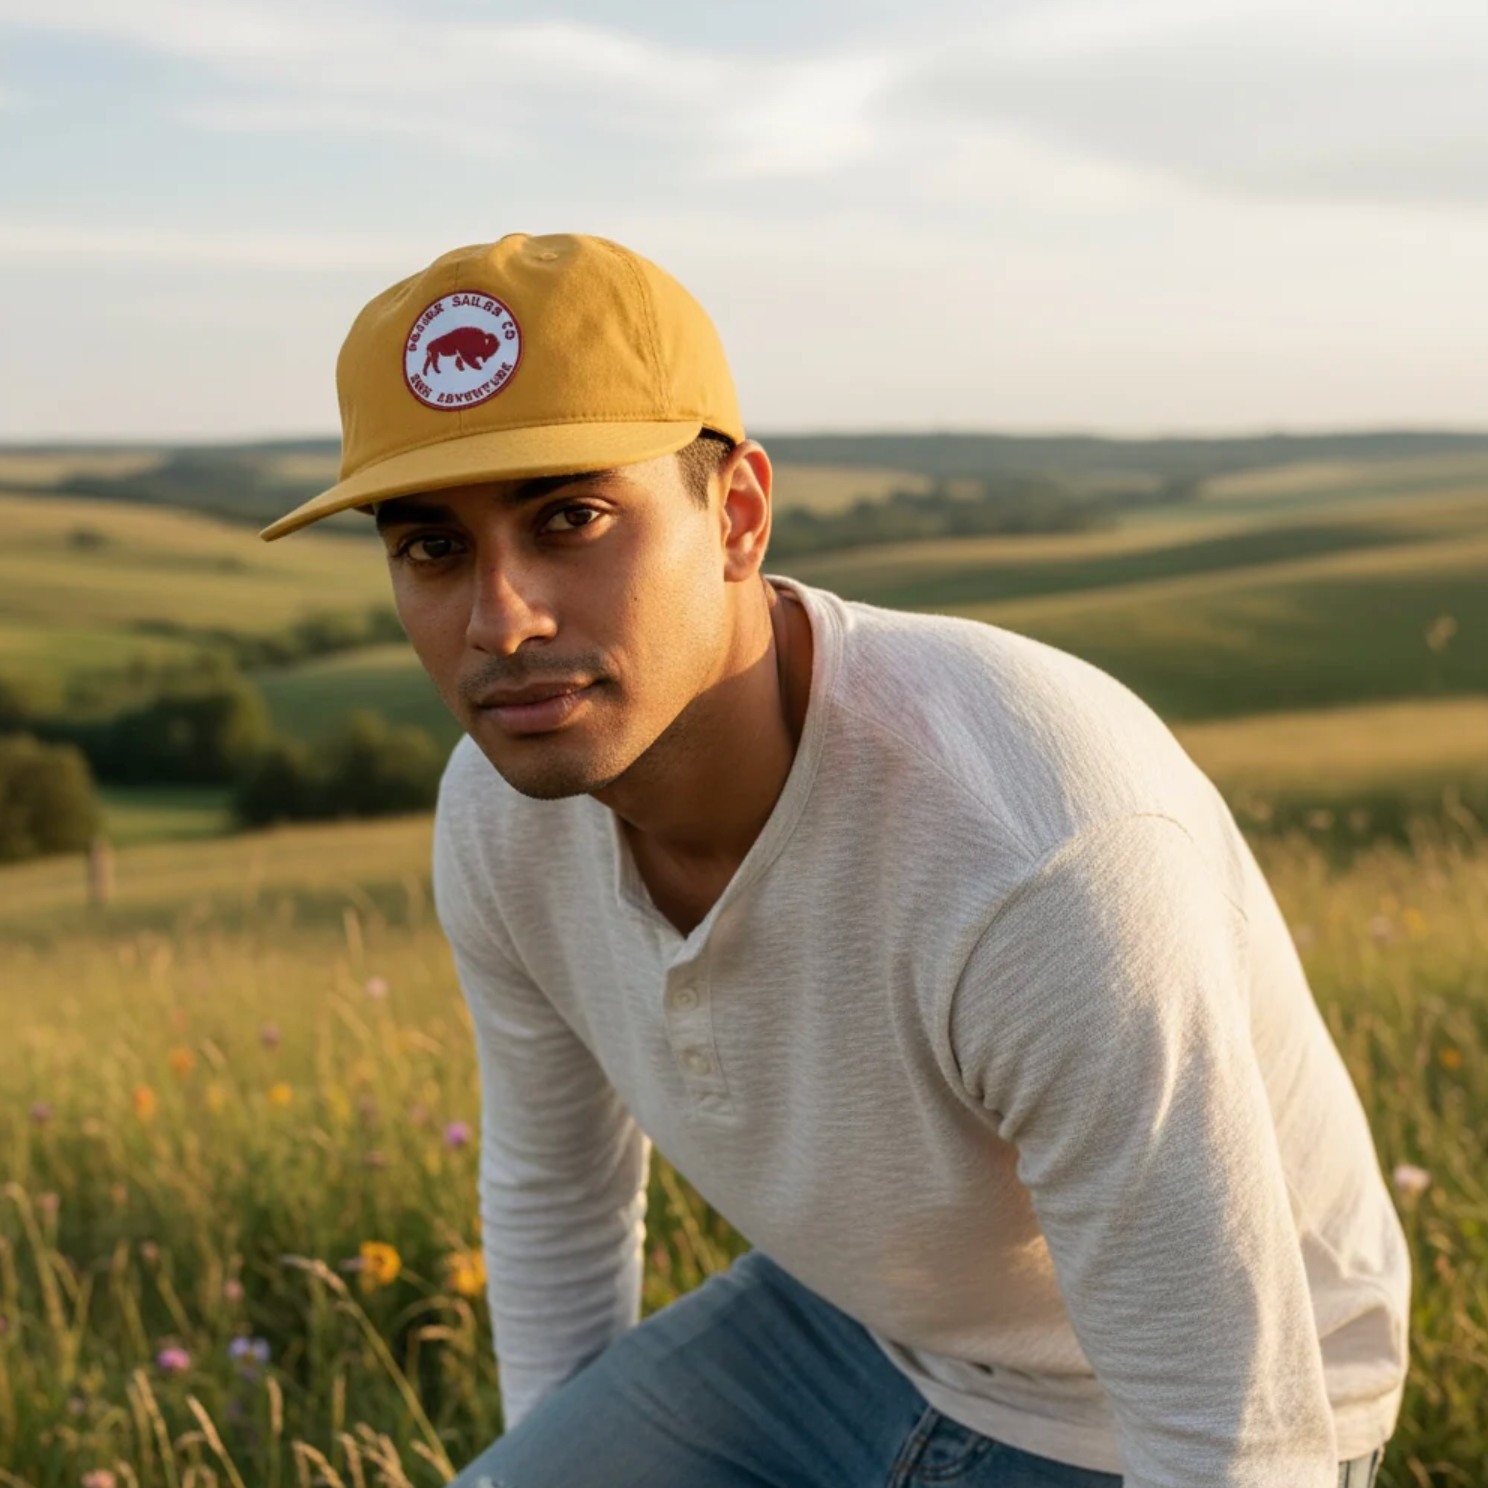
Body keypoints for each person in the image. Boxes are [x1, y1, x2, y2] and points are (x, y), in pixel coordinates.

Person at [261, 232, 1409, 1488]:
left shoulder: (1038, 855)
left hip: (1153, 1395)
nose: (501, 618)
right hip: (852, 1332)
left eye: (572, 517)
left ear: (737, 515)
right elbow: (555, 1191)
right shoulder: (497, 813)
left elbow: (1235, 1437)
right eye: (430, 547)